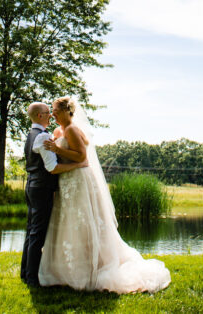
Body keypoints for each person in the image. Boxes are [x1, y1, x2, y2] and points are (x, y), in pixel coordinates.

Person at [37, 96, 171, 293]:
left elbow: (82, 156)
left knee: (83, 221)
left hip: (78, 179)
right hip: (66, 180)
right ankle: (66, 269)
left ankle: (91, 268)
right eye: (52, 110)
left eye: (56, 110)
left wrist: (57, 148)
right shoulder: (58, 131)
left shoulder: (73, 129)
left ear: (67, 111)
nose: (53, 113)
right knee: (69, 221)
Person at [21, 102, 87, 287]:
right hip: (41, 188)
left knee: (31, 231)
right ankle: (32, 279)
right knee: (38, 233)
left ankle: (25, 273)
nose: (51, 116)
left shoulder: (31, 134)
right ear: (40, 116)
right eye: (48, 113)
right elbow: (52, 167)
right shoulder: (42, 137)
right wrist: (78, 165)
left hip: (32, 186)